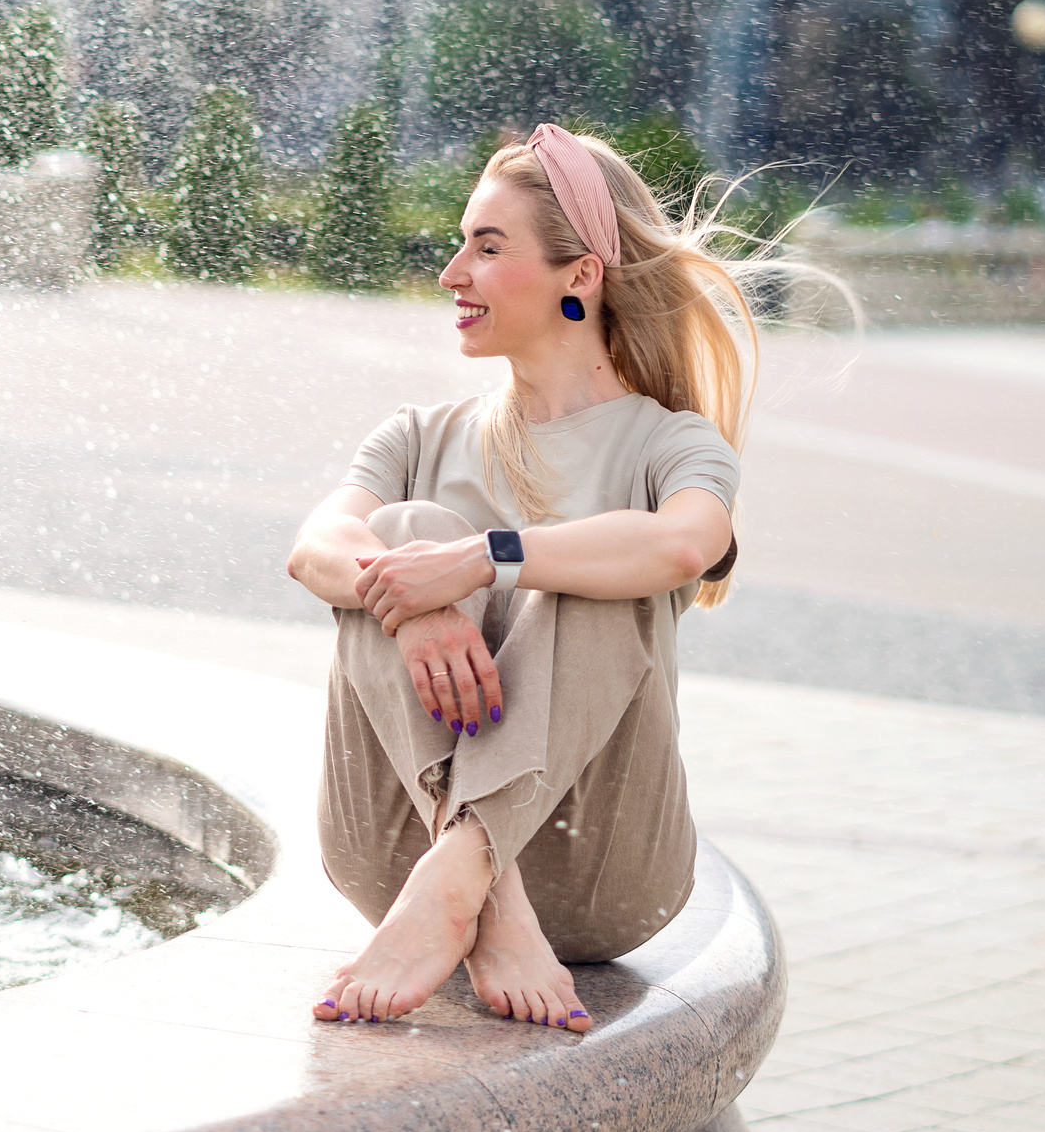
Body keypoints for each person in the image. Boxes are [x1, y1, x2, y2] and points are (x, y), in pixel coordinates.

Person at [285, 123, 758, 1030]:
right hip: (395, 859)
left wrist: (487, 556)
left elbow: (684, 546)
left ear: (579, 273)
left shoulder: (672, 445)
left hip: (600, 868)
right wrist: (418, 608)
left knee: (590, 561)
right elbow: (315, 547)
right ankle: (480, 892)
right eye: (461, 241)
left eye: (487, 246)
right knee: (397, 532)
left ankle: (470, 874)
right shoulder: (419, 434)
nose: (451, 272)